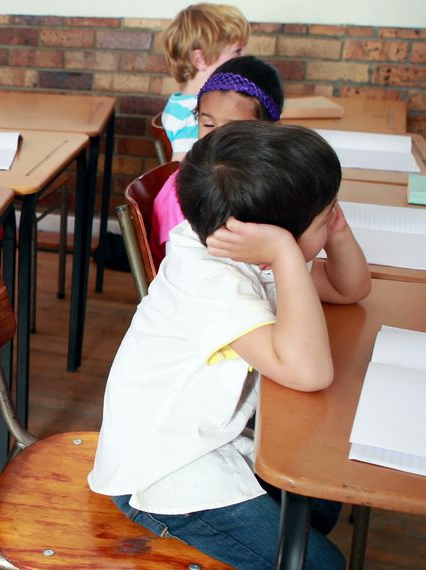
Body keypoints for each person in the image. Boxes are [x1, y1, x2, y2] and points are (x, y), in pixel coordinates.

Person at [89, 121, 371, 569]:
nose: (334, 217)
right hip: (164, 470)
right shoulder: (207, 280)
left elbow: (350, 287)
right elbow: (310, 371)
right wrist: (284, 252)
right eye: (325, 216)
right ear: (266, 240)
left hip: (219, 432)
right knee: (322, 564)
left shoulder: (242, 250)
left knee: (320, 501)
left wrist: (331, 231)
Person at [150, 55, 284, 263]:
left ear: (271, 131)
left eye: (232, 129)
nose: (216, 138)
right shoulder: (183, 193)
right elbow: (187, 271)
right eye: (208, 124)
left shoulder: (271, 180)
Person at [160, 3, 249, 160]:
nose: (244, 59)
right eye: (237, 51)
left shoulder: (184, 102)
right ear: (200, 60)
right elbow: (183, 176)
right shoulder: (192, 115)